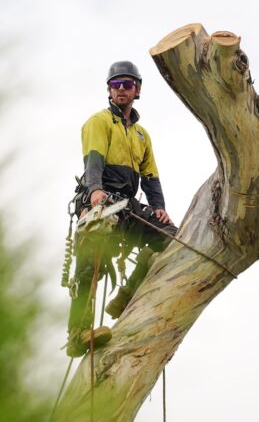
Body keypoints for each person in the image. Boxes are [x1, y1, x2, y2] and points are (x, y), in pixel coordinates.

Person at [65, 61, 177, 357]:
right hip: (102, 197)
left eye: (127, 84)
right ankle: (77, 333)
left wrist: (158, 207)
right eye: (116, 85)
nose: (122, 90)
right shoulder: (99, 122)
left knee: (169, 237)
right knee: (90, 260)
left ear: (137, 89)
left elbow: (150, 176)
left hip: (127, 204)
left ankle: (128, 294)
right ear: (109, 90)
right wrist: (95, 192)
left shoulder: (142, 135)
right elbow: (93, 162)